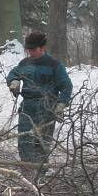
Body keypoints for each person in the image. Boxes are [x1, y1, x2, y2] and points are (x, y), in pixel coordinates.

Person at [6, 31, 73, 164]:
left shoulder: (54, 65)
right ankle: (27, 173)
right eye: (28, 50)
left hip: (47, 108)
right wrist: (13, 82)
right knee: (24, 141)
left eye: (34, 49)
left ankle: (40, 176)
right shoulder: (25, 63)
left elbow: (66, 86)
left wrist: (61, 105)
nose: (31, 52)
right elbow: (13, 73)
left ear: (42, 48)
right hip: (27, 107)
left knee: (41, 145)